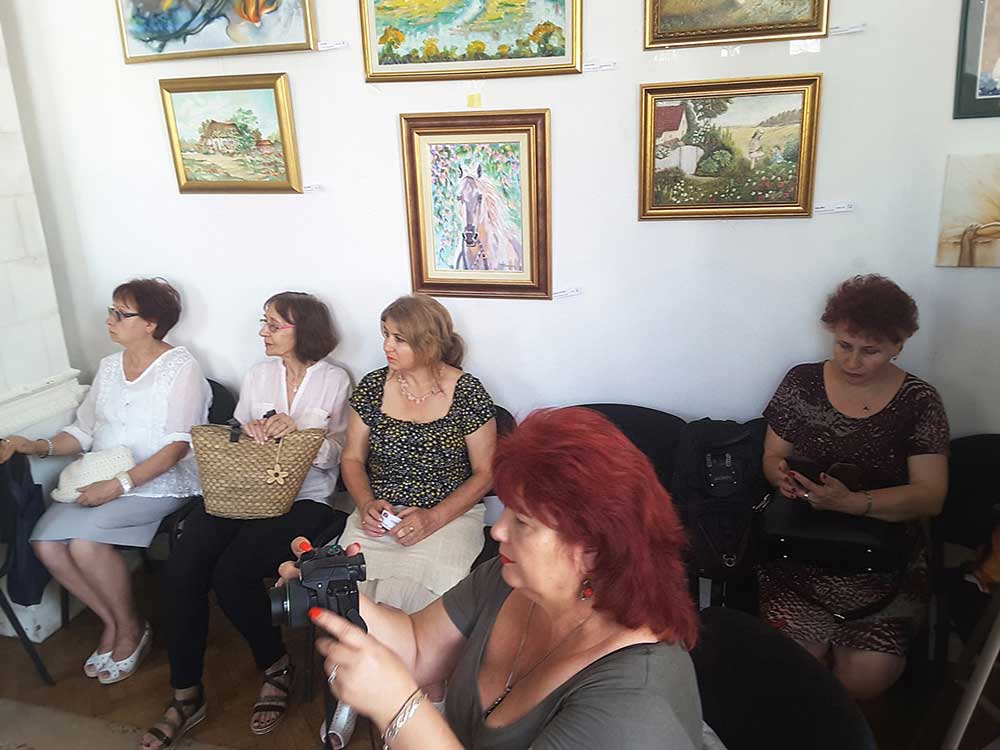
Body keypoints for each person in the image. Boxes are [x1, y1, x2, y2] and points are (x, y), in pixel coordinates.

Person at [283, 407, 702, 750]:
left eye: (523, 522)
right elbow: (417, 646)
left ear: (592, 547)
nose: (499, 531)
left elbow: (405, 688)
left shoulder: (634, 702)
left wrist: (398, 708)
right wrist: (335, 593)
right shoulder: (510, 579)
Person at [140, 292, 350, 749]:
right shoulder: (258, 375)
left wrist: (301, 432)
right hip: (244, 491)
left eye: (274, 325)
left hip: (305, 500)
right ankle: (185, 693)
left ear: (303, 330)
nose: (263, 332)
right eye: (264, 322)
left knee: (232, 572)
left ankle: (275, 665)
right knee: (183, 565)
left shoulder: (334, 379)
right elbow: (234, 434)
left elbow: (339, 453)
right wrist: (249, 431)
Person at [0, 278, 210, 685]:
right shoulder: (110, 367)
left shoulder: (181, 367)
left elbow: (176, 448)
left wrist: (118, 486)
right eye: (111, 311)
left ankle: (128, 630)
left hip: (159, 480)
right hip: (101, 472)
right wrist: (36, 445)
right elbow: (82, 432)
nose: (110, 320)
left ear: (151, 324)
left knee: (83, 544)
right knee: (44, 543)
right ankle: (116, 622)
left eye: (121, 313)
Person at [759, 274, 950, 700]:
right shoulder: (802, 382)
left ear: (899, 344)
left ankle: (836, 726)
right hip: (800, 551)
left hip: (883, 562)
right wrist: (782, 478)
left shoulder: (919, 400)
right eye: (844, 345)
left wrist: (851, 503)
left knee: (866, 673)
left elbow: (930, 495)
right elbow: (772, 458)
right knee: (794, 665)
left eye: (871, 351)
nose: (852, 362)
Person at [339, 295, 496, 622]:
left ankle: (414, 657)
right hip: (379, 518)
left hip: (449, 516)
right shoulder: (373, 387)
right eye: (385, 334)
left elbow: (486, 472)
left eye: (399, 339)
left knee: (418, 606)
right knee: (348, 597)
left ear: (428, 343)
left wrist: (434, 518)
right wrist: (366, 505)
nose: (387, 346)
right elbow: (352, 458)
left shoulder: (467, 392)